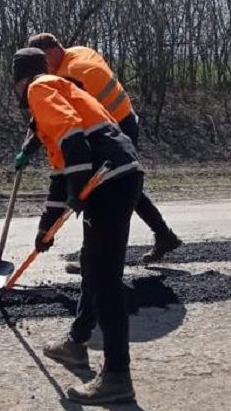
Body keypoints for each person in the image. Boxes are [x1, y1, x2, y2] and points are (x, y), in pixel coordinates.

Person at [13, 47, 143, 405]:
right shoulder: (63, 89)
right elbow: (62, 169)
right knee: (92, 264)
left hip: (109, 179)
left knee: (105, 278)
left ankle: (117, 376)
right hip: (119, 176)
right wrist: (46, 230)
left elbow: (73, 141)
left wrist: (77, 187)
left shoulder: (40, 88)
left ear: (19, 80)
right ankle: (77, 343)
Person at [19, 33, 182, 264]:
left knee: (102, 187)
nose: (42, 67)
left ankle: (96, 258)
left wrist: (30, 146)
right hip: (123, 120)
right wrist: (29, 145)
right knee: (122, 184)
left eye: (42, 59)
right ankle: (164, 235)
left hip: (111, 131)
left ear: (53, 50)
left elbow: (62, 117)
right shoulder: (79, 51)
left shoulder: (72, 73)